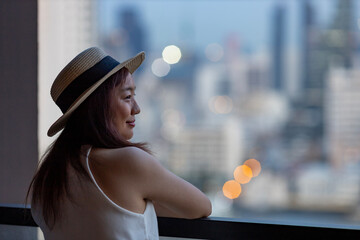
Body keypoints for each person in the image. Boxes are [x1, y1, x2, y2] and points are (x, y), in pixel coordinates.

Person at [28, 47, 212, 240]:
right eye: (127, 97)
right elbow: (201, 207)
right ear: (98, 105)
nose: (137, 108)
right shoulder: (128, 162)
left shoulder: (47, 177)